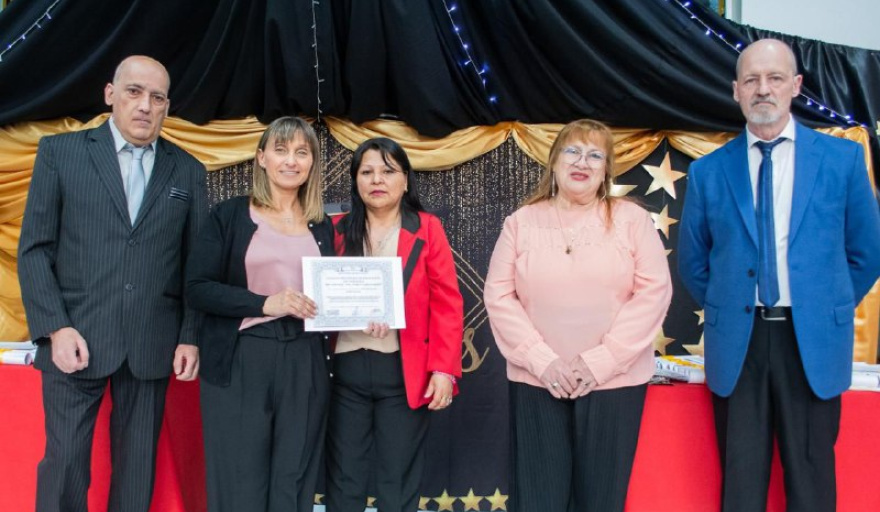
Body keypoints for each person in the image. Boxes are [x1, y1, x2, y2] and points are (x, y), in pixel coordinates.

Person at [678, 39, 880, 511]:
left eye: (774, 78)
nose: (762, 89)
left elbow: (866, 252)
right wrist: (732, 304)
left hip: (812, 343)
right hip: (739, 343)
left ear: (796, 85)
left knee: (811, 482)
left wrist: (824, 306)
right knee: (741, 484)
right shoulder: (709, 171)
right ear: (736, 91)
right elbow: (693, 262)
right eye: (751, 80)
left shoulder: (842, 160)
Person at [17, 56, 206, 512]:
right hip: (74, 337)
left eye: (157, 97)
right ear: (110, 94)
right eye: (134, 92)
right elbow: (35, 249)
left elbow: (196, 266)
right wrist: (56, 328)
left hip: (151, 343)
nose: (145, 105)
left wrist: (190, 336)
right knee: (65, 465)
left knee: (138, 470)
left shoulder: (188, 170)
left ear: (167, 107)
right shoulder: (60, 153)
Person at [484, 119, 672, 512]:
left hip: (614, 384)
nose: (582, 162)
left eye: (594, 155)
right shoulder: (520, 222)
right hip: (538, 381)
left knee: (601, 500)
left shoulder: (633, 220)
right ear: (554, 161)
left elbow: (653, 292)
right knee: (538, 500)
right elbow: (498, 296)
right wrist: (543, 362)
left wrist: (600, 362)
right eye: (572, 151)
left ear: (606, 170)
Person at [184, 116, 335, 512]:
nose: (291, 161)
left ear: (312, 163)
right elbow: (198, 287)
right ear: (261, 158)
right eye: (281, 150)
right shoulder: (230, 215)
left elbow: (334, 296)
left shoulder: (322, 226)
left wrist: (365, 315)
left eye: (302, 152)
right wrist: (265, 303)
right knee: (240, 477)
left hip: (304, 358)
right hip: (241, 356)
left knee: (293, 477)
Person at [326, 137, 463, 512]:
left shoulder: (427, 228)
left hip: (404, 370)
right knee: (344, 478)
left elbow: (448, 303)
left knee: (398, 480)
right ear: (355, 180)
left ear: (405, 180)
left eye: (387, 171)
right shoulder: (333, 228)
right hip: (343, 369)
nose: (377, 180)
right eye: (366, 171)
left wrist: (444, 370)